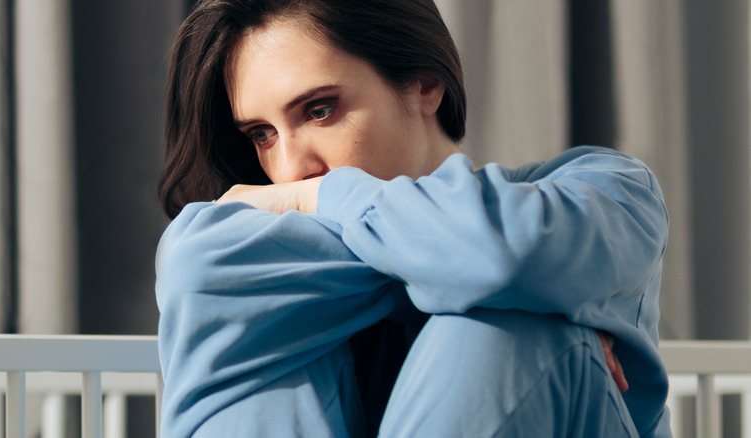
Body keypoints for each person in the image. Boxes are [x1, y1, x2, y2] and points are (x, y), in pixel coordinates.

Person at [155, 0, 671, 436]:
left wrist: (329, 197)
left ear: (425, 83)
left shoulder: (607, 187)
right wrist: (514, 280)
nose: (290, 170)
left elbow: (505, 252)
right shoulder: (232, 233)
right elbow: (195, 266)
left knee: (502, 325)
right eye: (261, 135)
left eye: (319, 110)